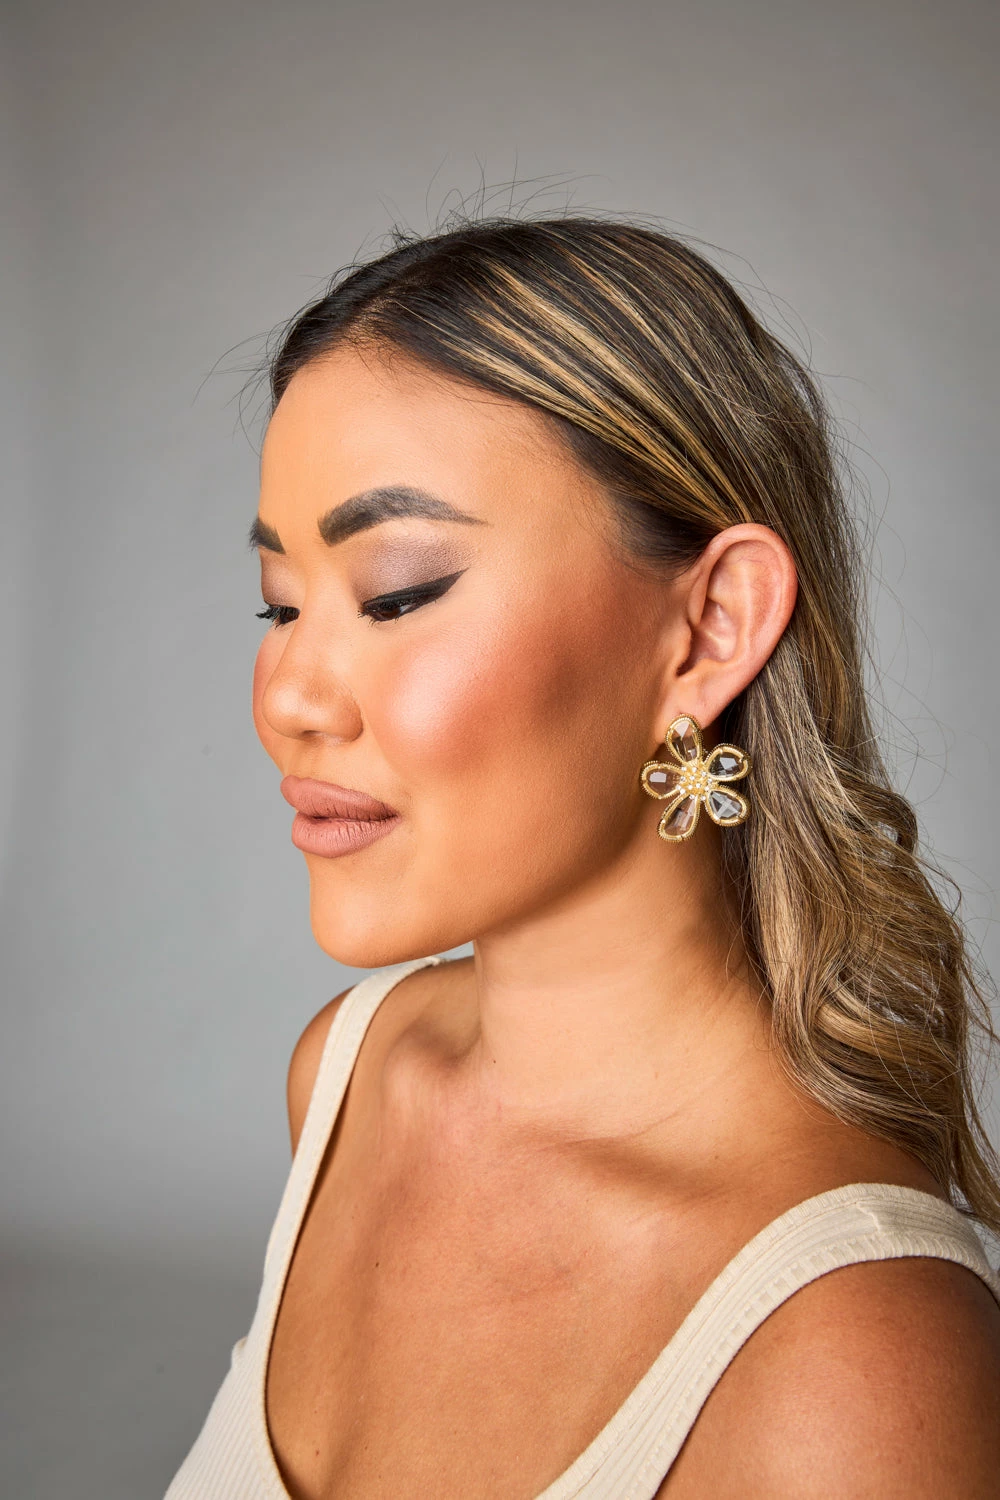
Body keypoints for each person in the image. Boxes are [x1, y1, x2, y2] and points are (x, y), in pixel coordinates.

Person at [165, 216, 1000, 1500]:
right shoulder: (348, 1075)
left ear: (710, 626)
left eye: (396, 592)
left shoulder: (857, 1358)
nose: (288, 697)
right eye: (279, 603)